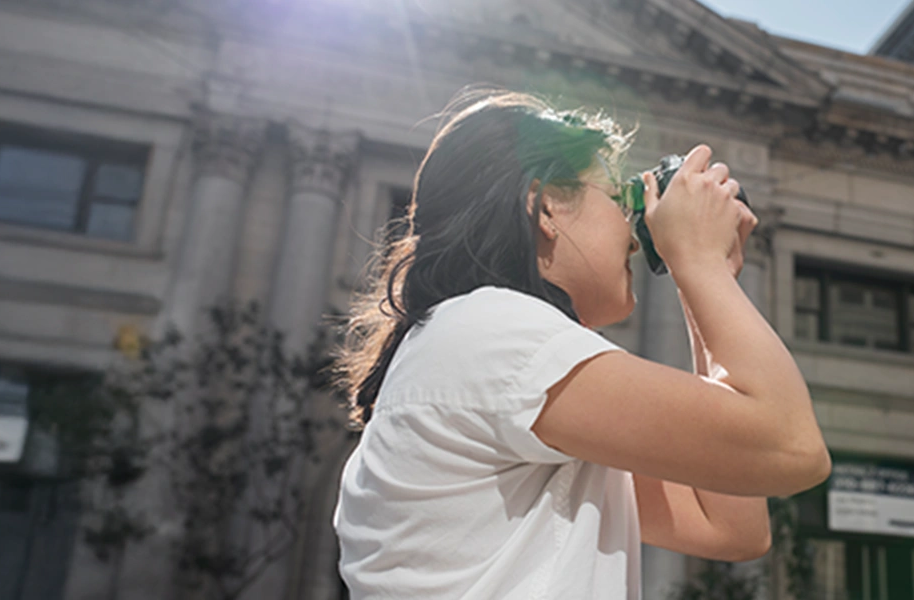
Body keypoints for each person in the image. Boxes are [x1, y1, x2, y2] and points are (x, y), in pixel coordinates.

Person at [331, 90, 831, 599]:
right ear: (545, 204)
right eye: (617, 199)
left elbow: (731, 524)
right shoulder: (492, 331)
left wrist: (705, 277)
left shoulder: (472, 348)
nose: (636, 237)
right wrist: (698, 262)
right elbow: (793, 447)